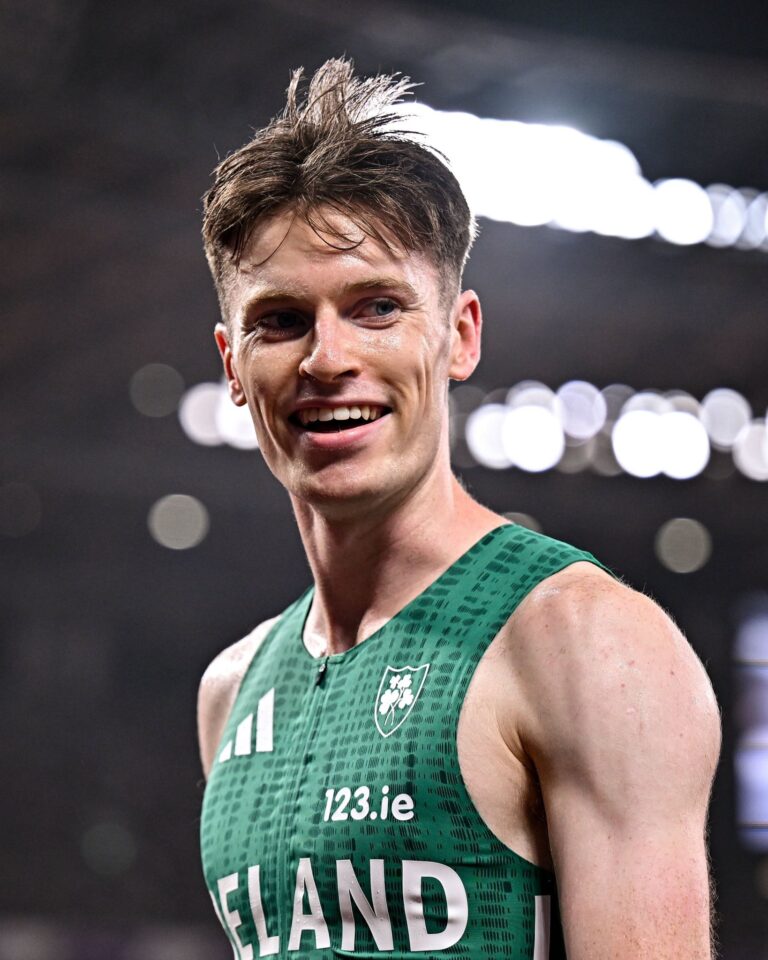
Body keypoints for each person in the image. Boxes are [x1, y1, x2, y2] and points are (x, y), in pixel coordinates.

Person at [196, 58, 721, 959]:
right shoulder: (232, 691)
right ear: (233, 364)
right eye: (280, 320)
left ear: (459, 336)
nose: (327, 358)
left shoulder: (587, 644)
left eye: (377, 308)